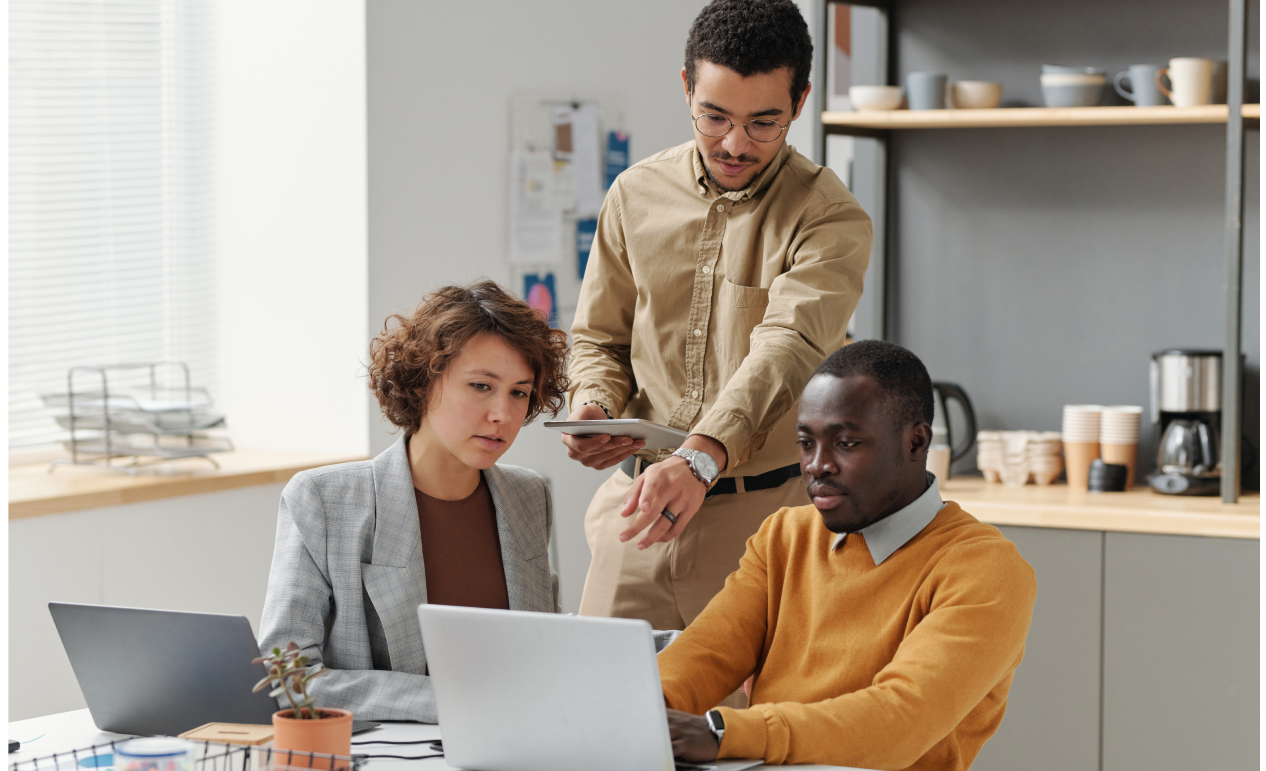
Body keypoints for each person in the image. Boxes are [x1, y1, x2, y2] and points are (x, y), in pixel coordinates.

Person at [562, 0, 873, 636]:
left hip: (763, 525)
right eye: (714, 116)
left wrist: (702, 455)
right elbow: (600, 336)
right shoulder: (633, 194)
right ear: (686, 87)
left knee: (736, 733)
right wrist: (593, 403)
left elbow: (787, 346)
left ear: (801, 102)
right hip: (637, 512)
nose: (735, 144)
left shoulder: (829, 217)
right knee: (593, 718)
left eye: (764, 123)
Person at [658, 340, 1038, 768]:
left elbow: (899, 721)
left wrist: (726, 733)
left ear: (916, 442)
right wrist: (635, 707)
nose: (817, 465)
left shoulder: (985, 569)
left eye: (847, 443)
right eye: (806, 443)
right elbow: (705, 654)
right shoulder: (784, 535)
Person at [258, 280, 569, 722]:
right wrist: (456, 703)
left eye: (519, 392)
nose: (503, 413)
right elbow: (288, 678)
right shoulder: (323, 500)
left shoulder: (528, 495)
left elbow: (547, 647)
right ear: (423, 381)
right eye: (481, 386)